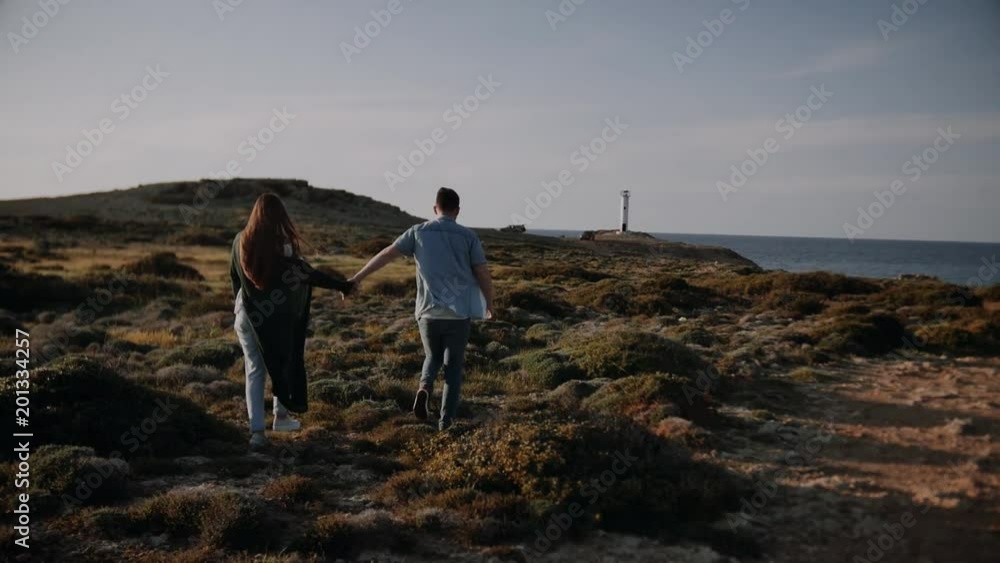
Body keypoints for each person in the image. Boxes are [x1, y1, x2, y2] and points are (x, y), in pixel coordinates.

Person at [350, 187, 494, 431]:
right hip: (458, 314)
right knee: (453, 368)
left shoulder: (417, 232)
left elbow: (387, 254)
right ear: (457, 211)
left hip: (427, 312)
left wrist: (357, 277)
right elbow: (482, 272)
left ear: (434, 208)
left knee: (432, 356)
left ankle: (424, 387)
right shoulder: (468, 236)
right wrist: (490, 303)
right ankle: (445, 423)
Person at [230, 193, 355, 449]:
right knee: (285, 360)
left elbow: (235, 279)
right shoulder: (281, 247)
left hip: (245, 315)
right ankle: (281, 417)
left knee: (254, 371)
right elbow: (308, 274)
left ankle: (257, 434)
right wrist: (342, 285)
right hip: (273, 320)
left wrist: (245, 307)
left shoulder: (238, 241)